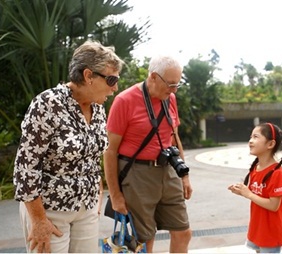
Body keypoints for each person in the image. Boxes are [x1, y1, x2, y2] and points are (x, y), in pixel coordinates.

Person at [13, 40, 124, 253]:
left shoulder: (98, 108)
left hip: (87, 211)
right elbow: (25, 168)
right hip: (49, 212)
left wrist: (95, 202)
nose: (115, 87)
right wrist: (38, 221)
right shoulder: (47, 103)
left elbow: (93, 159)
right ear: (88, 75)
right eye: (111, 79)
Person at [103, 55, 193, 253]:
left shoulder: (170, 98)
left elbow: (174, 137)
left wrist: (184, 176)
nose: (174, 90)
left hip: (168, 169)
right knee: (144, 239)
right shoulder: (124, 101)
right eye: (170, 84)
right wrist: (116, 196)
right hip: (137, 174)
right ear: (153, 77)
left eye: (177, 84)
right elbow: (110, 151)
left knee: (183, 231)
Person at [228, 122, 282, 253]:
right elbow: (255, 194)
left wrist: (248, 194)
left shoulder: (277, 173)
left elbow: (274, 205)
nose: (250, 141)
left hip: (271, 232)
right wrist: (242, 191)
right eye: (250, 137)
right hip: (258, 228)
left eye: (255, 137)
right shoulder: (256, 168)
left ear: (270, 144)